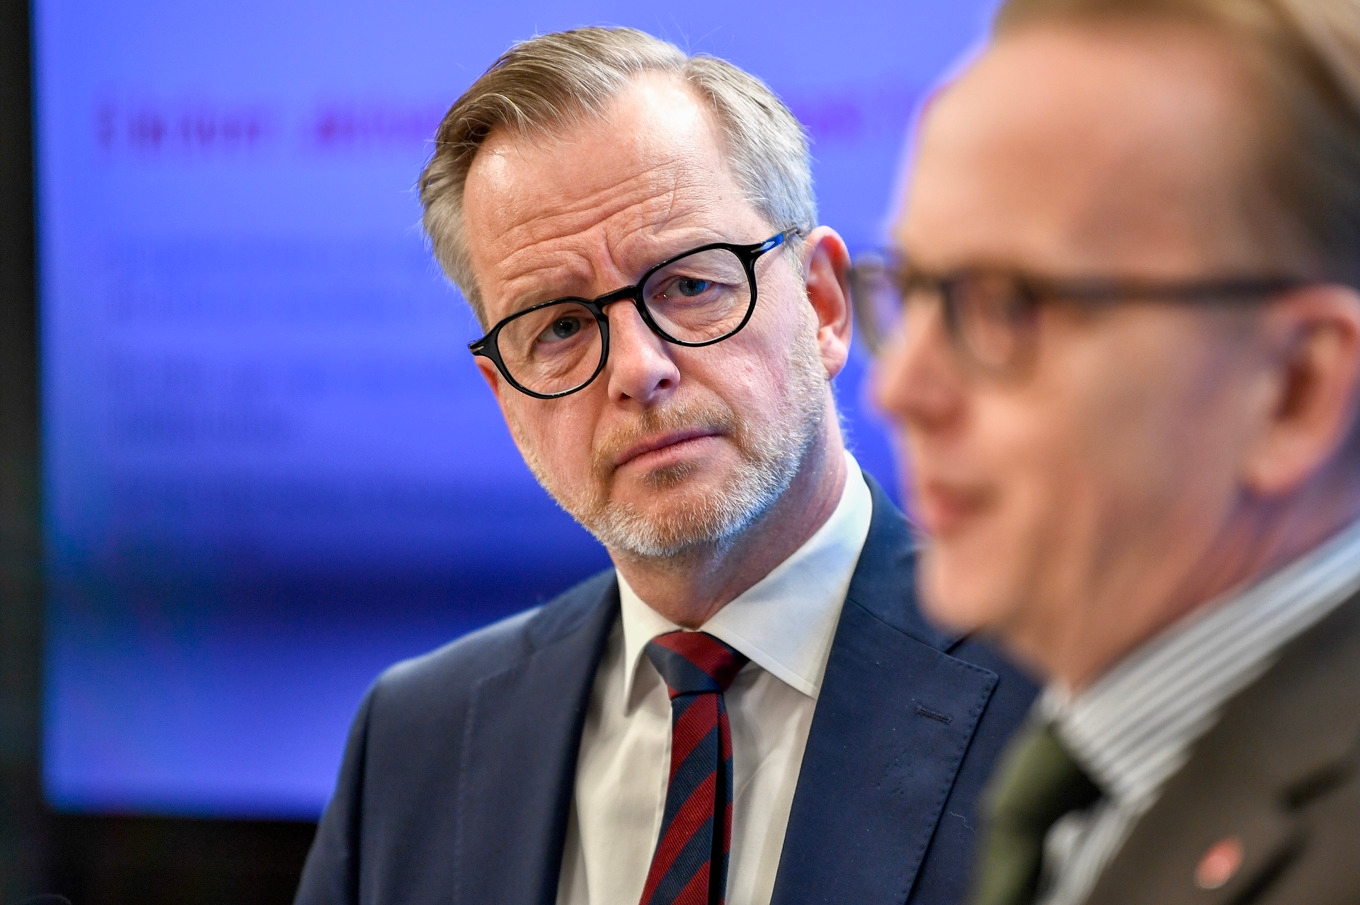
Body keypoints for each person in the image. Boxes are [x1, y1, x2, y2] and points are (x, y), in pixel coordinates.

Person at [294, 26, 1034, 905]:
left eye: (689, 283)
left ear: (823, 304)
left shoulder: (1054, 681)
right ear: (506, 396)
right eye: (561, 327)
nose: (637, 368)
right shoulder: (416, 741)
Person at [862, 1, 1360, 904]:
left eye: (1004, 303)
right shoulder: (1093, 780)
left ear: (1295, 389)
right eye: (911, 290)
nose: (899, 391)